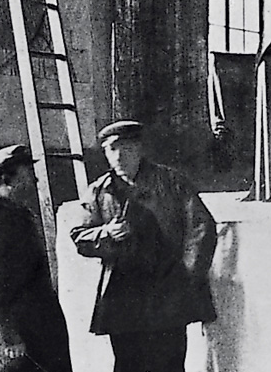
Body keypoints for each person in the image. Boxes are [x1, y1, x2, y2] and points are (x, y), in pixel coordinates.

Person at [70, 120, 217, 372]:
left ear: (139, 148)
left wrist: (186, 278)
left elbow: (201, 229)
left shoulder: (171, 182)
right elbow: (79, 236)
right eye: (111, 149)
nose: (118, 156)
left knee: (169, 363)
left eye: (125, 148)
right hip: (123, 298)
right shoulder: (99, 191)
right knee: (128, 364)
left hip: (167, 294)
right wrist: (106, 234)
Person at [0, 144, 73, 372]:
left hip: (37, 333)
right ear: (7, 179)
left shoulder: (18, 215)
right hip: (14, 345)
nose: (35, 181)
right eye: (28, 174)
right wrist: (7, 337)